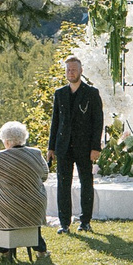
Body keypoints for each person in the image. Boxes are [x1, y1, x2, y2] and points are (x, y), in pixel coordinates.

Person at [0, 122, 52, 261]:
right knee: (28, 206)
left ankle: (3, 248)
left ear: (6, 141)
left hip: (8, 207)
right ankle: (40, 249)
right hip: (34, 205)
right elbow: (44, 175)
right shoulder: (36, 154)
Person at [50, 54, 104, 233]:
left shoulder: (91, 93)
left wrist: (96, 147)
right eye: (68, 70)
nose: (71, 72)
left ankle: (85, 221)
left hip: (85, 147)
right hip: (63, 146)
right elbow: (55, 122)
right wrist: (51, 147)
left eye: (74, 69)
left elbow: (98, 121)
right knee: (63, 184)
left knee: (86, 183)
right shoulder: (60, 93)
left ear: (81, 71)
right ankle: (64, 223)